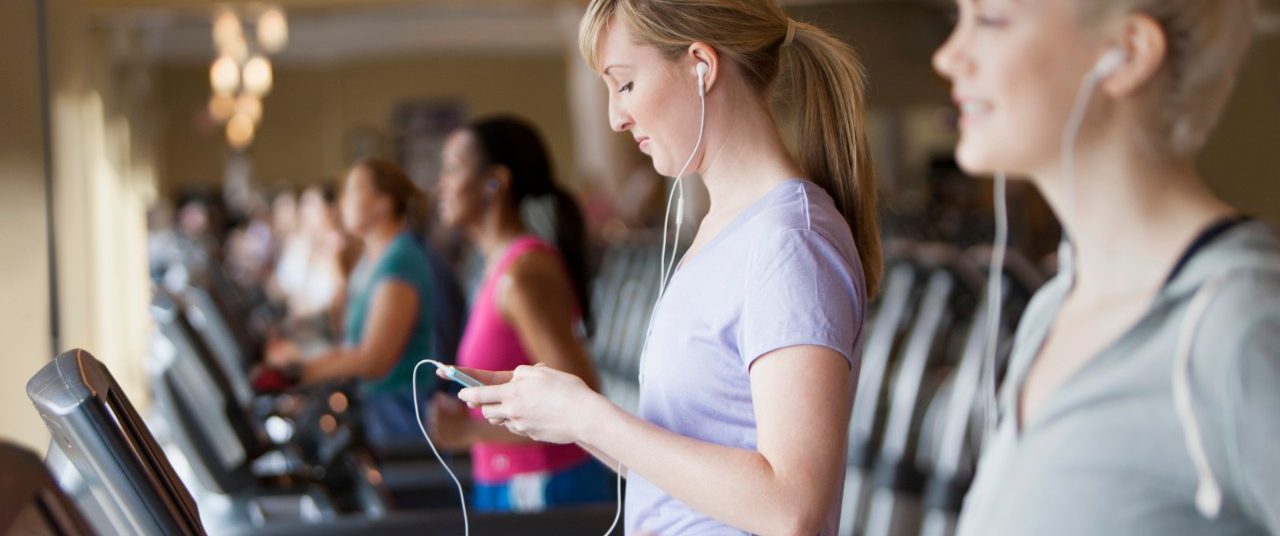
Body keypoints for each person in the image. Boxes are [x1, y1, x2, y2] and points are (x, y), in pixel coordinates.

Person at [447, 1, 882, 533]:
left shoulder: (789, 242)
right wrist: (559, 415)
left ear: (701, 65)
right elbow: (676, 474)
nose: (615, 116)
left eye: (624, 84)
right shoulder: (726, 230)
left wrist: (590, 417)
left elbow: (793, 507)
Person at [932, 0, 1280, 534]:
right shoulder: (1053, 309)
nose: (948, 57)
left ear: (1127, 52)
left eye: (992, 20)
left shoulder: (1235, 325)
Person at [428, 115, 613, 512]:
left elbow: (582, 401)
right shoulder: (494, 266)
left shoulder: (523, 273)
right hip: (508, 484)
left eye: (452, 169)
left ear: (495, 181)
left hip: (546, 489)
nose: (438, 185)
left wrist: (469, 431)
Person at [265, 159, 450, 448]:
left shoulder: (401, 257)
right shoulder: (370, 257)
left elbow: (373, 359)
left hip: (401, 416)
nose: (342, 201)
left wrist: (301, 370)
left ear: (382, 204)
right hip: (376, 407)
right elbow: (347, 337)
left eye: (353, 190)